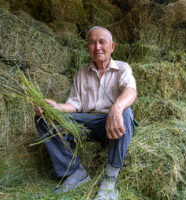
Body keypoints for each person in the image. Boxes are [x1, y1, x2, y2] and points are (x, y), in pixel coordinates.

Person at [34, 26, 137, 199]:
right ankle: (74, 172)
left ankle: (110, 180)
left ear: (112, 46)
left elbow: (131, 91)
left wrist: (116, 108)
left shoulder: (122, 68)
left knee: (126, 113)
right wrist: (54, 108)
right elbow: (74, 104)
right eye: (92, 43)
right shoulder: (82, 72)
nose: (97, 47)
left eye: (102, 42)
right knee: (43, 120)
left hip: (111, 124)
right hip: (87, 122)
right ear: (88, 47)